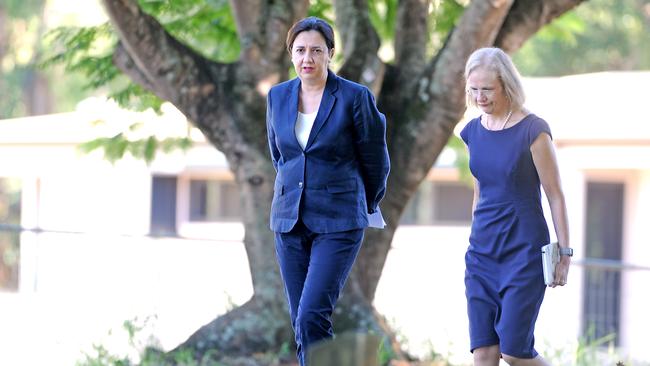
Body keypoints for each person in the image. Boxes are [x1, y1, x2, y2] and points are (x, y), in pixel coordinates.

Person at [265, 16, 390, 366]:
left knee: (311, 316)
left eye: (316, 50)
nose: (308, 58)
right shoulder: (277, 96)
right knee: (301, 322)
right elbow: (281, 156)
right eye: (300, 50)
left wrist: (365, 202)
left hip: (338, 222)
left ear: (330, 54)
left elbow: (375, 159)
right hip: (289, 221)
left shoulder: (354, 97)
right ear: (291, 54)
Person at [459, 47, 572, 366]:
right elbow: (480, 191)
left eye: (487, 89)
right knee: (483, 351)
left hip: (523, 254)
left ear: (506, 84)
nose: (479, 96)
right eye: (474, 89)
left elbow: (555, 194)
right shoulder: (472, 132)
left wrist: (564, 252)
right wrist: (474, 240)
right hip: (481, 255)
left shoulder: (533, 131)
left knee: (514, 351)